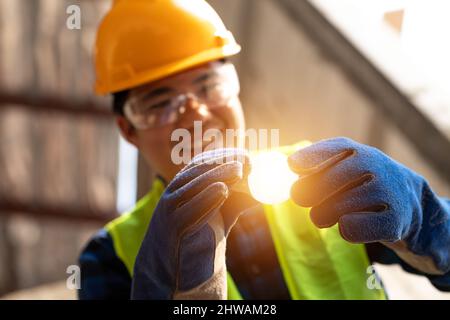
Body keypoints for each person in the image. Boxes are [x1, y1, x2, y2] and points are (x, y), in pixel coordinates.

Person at [78, 0, 450, 299]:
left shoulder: (326, 178)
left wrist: (423, 220)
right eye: (160, 102)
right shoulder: (110, 258)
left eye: (209, 84)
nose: (197, 113)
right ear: (128, 130)